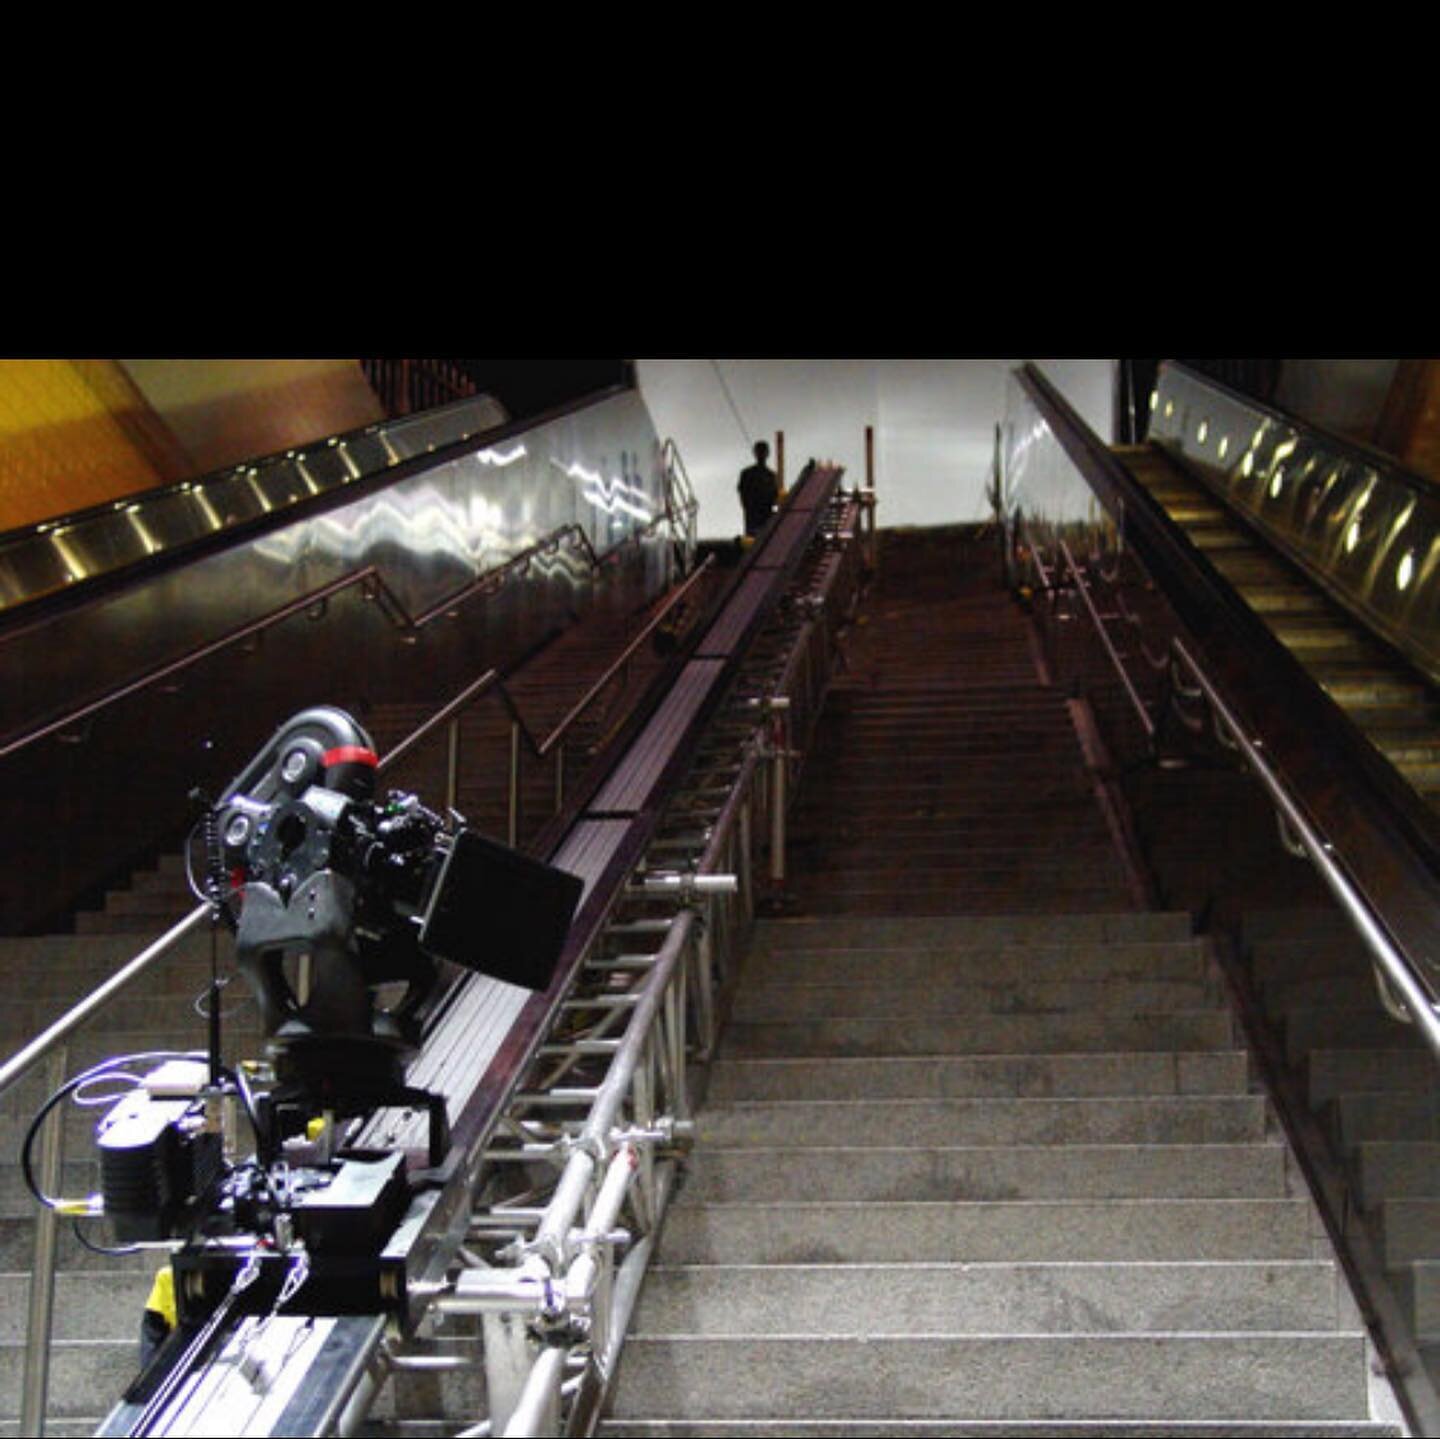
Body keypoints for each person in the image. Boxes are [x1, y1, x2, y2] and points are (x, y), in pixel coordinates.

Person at [737, 441, 779, 537]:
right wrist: (748, 507)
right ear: (755, 453)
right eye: (759, 452)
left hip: (766, 514)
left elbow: (775, 497)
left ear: (767, 453)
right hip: (752, 515)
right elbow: (742, 493)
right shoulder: (747, 473)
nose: (761, 454)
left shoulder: (771, 475)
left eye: (763, 452)